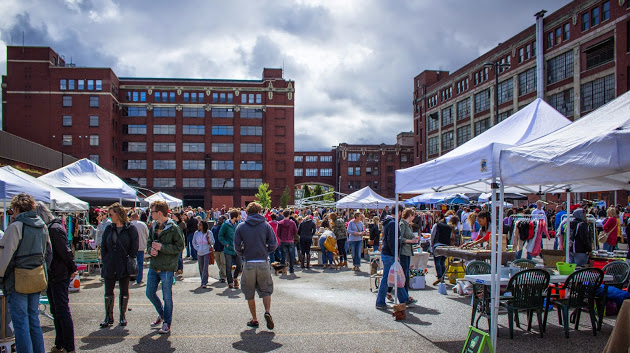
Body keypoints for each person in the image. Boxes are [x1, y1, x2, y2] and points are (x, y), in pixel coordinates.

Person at [0, 194, 51, 353]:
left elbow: (5, 257)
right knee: (33, 320)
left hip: (18, 281)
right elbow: (48, 253)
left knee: (21, 323)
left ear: (16, 208)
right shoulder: (42, 226)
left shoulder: (16, 227)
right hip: (37, 278)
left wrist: (2, 279)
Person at [36, 202, 77, 353]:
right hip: (54, 274)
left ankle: (69, 347)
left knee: (61, 310)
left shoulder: (54, 229)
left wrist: (73, 268)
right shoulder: (52, 228)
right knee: (57, 310)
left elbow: (65, 252)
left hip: (59, 274)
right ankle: (60, 344)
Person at [234, 202, 278, 329]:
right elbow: (274, 244)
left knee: (249, 292)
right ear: (260, 212)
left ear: (247, 213)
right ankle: (267, 311)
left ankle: (254, 318)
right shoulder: (266, 225)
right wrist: (266, 251)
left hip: (249, 262)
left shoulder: (241, 226)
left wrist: (243, 253)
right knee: (266, 290)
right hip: (263, 261)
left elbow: (236, 246)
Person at [146, 200, 185, 334]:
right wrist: (150, 249)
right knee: (149, 292)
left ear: (160, 213)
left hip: (167, 267)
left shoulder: (173, 228)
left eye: (152, 212)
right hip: (154, 265)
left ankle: (167, 322)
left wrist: (162, 247)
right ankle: (162, 314)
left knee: (167, 297)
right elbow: (149, 242)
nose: (151, 214)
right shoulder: (153, 226)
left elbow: (180, 247)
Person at [100, 203, 139, 328]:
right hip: (110, 263)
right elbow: (104, 246)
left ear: (118, 214)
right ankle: (108, 316)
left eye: (111, 214)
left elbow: (134, 245)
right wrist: (105, 259)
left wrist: (129, 257)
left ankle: (122, 315)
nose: (109, 216)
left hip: (124, 263)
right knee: (108, 291)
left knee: (124, 290)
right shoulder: (109, 228)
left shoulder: (130, 228)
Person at [375, 214, 416, 309]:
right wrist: (395, 254)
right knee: (388, 278)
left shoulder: (388, 222)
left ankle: (404, 299)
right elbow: (391, 240)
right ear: (400, 212)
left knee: (397, 277)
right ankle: (380, 301)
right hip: (390, 255)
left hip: (388, 253)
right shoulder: (393, 223)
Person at [219, 209, 242, 289]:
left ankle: (235, 277)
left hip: (237, 249)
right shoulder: (225, 225)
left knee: (239, 265)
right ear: (235, 217)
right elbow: (220, 236)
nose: (240, 217)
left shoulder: (238, 225)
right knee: (228, 266)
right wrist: (226, 244)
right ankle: (230, 282)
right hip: (228, 249)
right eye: (239, 216)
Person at [399, 208, 420, 291]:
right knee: (404, 273)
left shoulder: (408, 225)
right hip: (404, 251)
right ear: (410, 215)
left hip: (408, 251)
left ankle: (405, 293)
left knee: (406, 272)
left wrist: (414, 239)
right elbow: (400, 238)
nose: (414, 217)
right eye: (413, 215)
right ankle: (404, 293)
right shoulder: (402, 224)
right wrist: (411, 241)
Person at [430, 215, 452, 285]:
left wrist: (431, 242)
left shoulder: (437, 225)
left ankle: (439, 277)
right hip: (446, 245)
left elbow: (433, 234)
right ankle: (442, 276)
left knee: (437, 262)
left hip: (438, 244)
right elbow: (451, 237)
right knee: (442, 262)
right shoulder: (449, 227)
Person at [193, 220, 214, 288]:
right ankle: (204, 278)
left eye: (200, 225)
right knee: (201, 267)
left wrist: (209, 240)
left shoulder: (209, 232)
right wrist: (197, 248)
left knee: (205, 267)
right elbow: (193, 242)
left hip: (206, 251)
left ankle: (203, 282)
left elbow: (213, 242)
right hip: (199, 252)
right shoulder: (196, 233)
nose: (198, 226)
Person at [131, 212, 149, 286]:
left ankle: (131, 277)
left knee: (131, 262)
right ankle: (139, 279)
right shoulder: (142, 224)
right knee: (140, 263)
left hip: (131, 247)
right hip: (141, 246)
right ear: (138, 217)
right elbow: (148, 235)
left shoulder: (129, 224)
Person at [211, 216, 227, 282]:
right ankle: (222, 273)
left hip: (223, 248)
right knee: (218, 262)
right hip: (216, 247)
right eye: (219, 219)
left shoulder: (225, 228)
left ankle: (223, 276)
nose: (219, 220)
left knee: (223, 262)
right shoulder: (214, 228)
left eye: (220, 219)